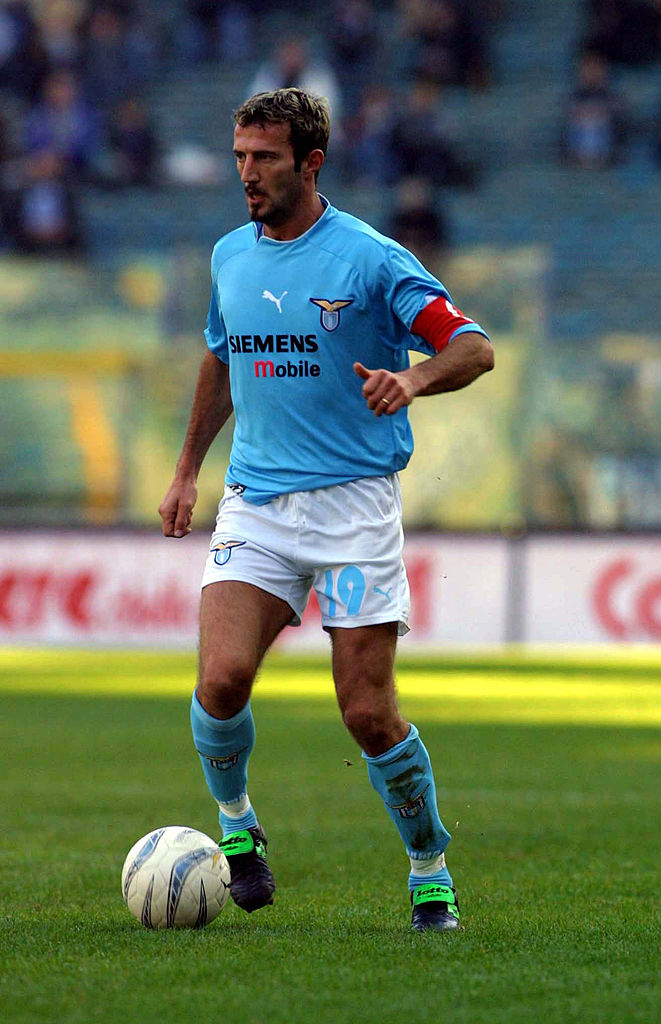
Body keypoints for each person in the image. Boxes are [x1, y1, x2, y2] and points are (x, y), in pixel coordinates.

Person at [159, 87, 493, 933]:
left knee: (367, 714)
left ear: (310, 163)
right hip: (256, 503)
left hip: (352, 509)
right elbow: (220, 358)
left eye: (264, 158)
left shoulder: (371, 259)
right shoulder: (230, 256)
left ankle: (428, 868)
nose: (247, 173)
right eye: (239, 156)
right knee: (219, 680)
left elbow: (472, 346)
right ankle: (238, 829)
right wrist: (187, 471)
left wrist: (412, 378)